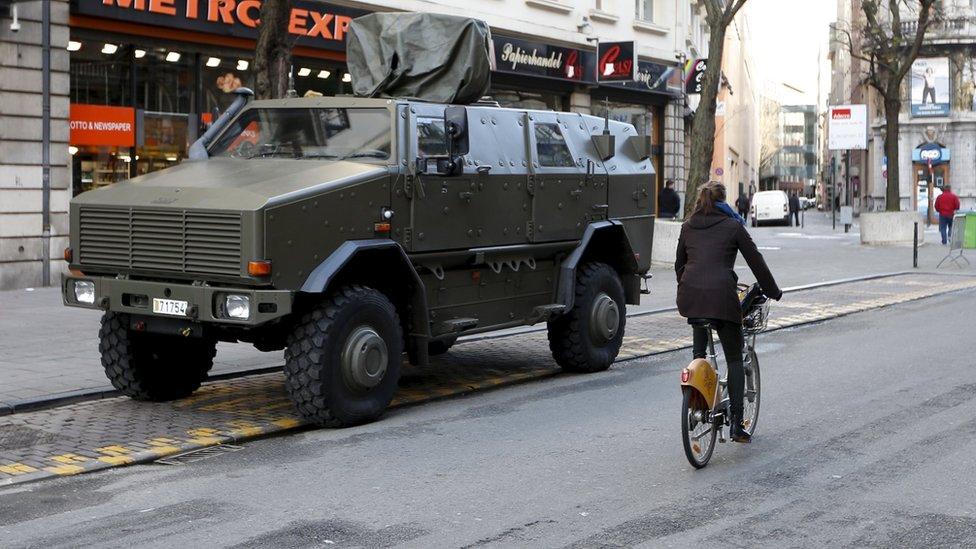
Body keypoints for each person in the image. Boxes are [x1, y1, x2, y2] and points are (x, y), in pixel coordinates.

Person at [674, 181, 782, 443]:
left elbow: (680, 266)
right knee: (734, 358)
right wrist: (772, 290)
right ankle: (736, 425)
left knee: (699, 352)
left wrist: (691, 288)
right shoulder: (733, 226)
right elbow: (756, 262)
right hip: (722, 298)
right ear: (725, 200)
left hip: (690, 298)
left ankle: (698, 402)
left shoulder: (687, 226)